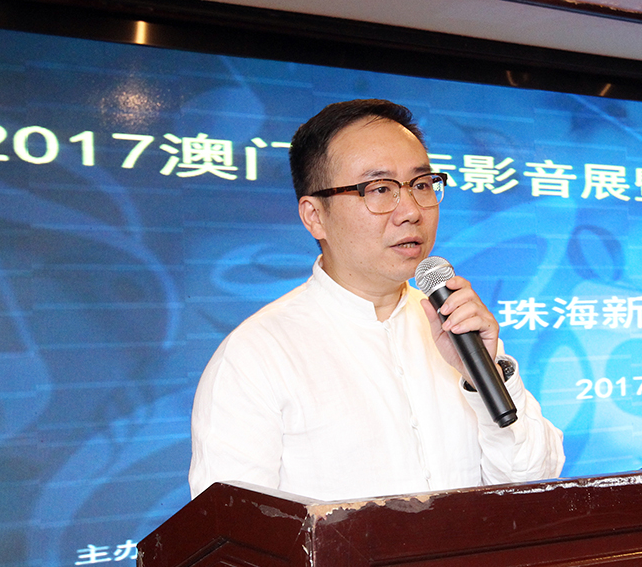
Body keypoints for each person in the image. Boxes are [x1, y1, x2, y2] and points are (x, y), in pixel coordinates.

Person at [188, 99, 564, 500]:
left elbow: (534, 484)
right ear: (315, 216)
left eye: (421, 185)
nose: (411, 211)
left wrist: (485, 376)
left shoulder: (454, 324)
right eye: (380, 189)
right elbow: (232, 530)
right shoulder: (256, 355)